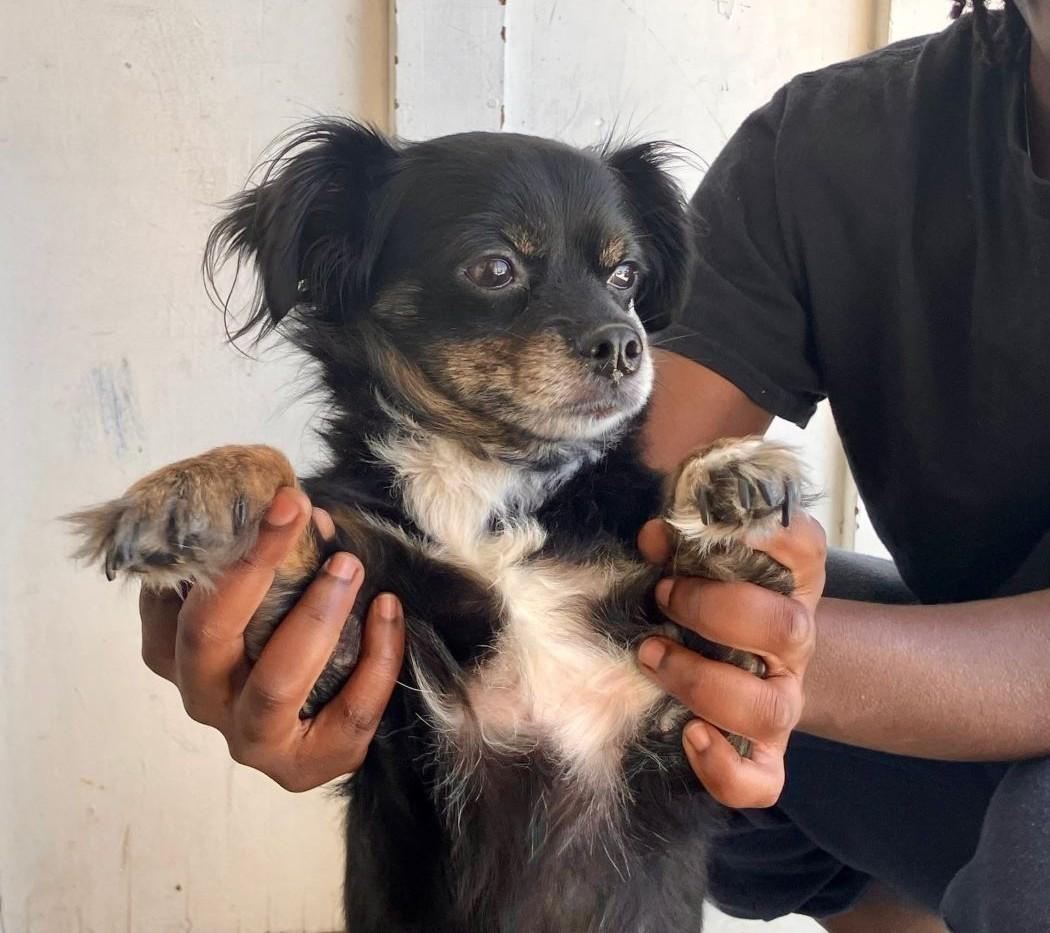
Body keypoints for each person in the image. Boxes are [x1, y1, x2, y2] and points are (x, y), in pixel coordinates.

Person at [139, 2, 1049, 930]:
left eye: (620, 283)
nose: (620, 334)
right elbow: (642, 487)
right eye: (498, 272)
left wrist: (761, 636)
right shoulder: (839, 141)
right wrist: (236, 586)